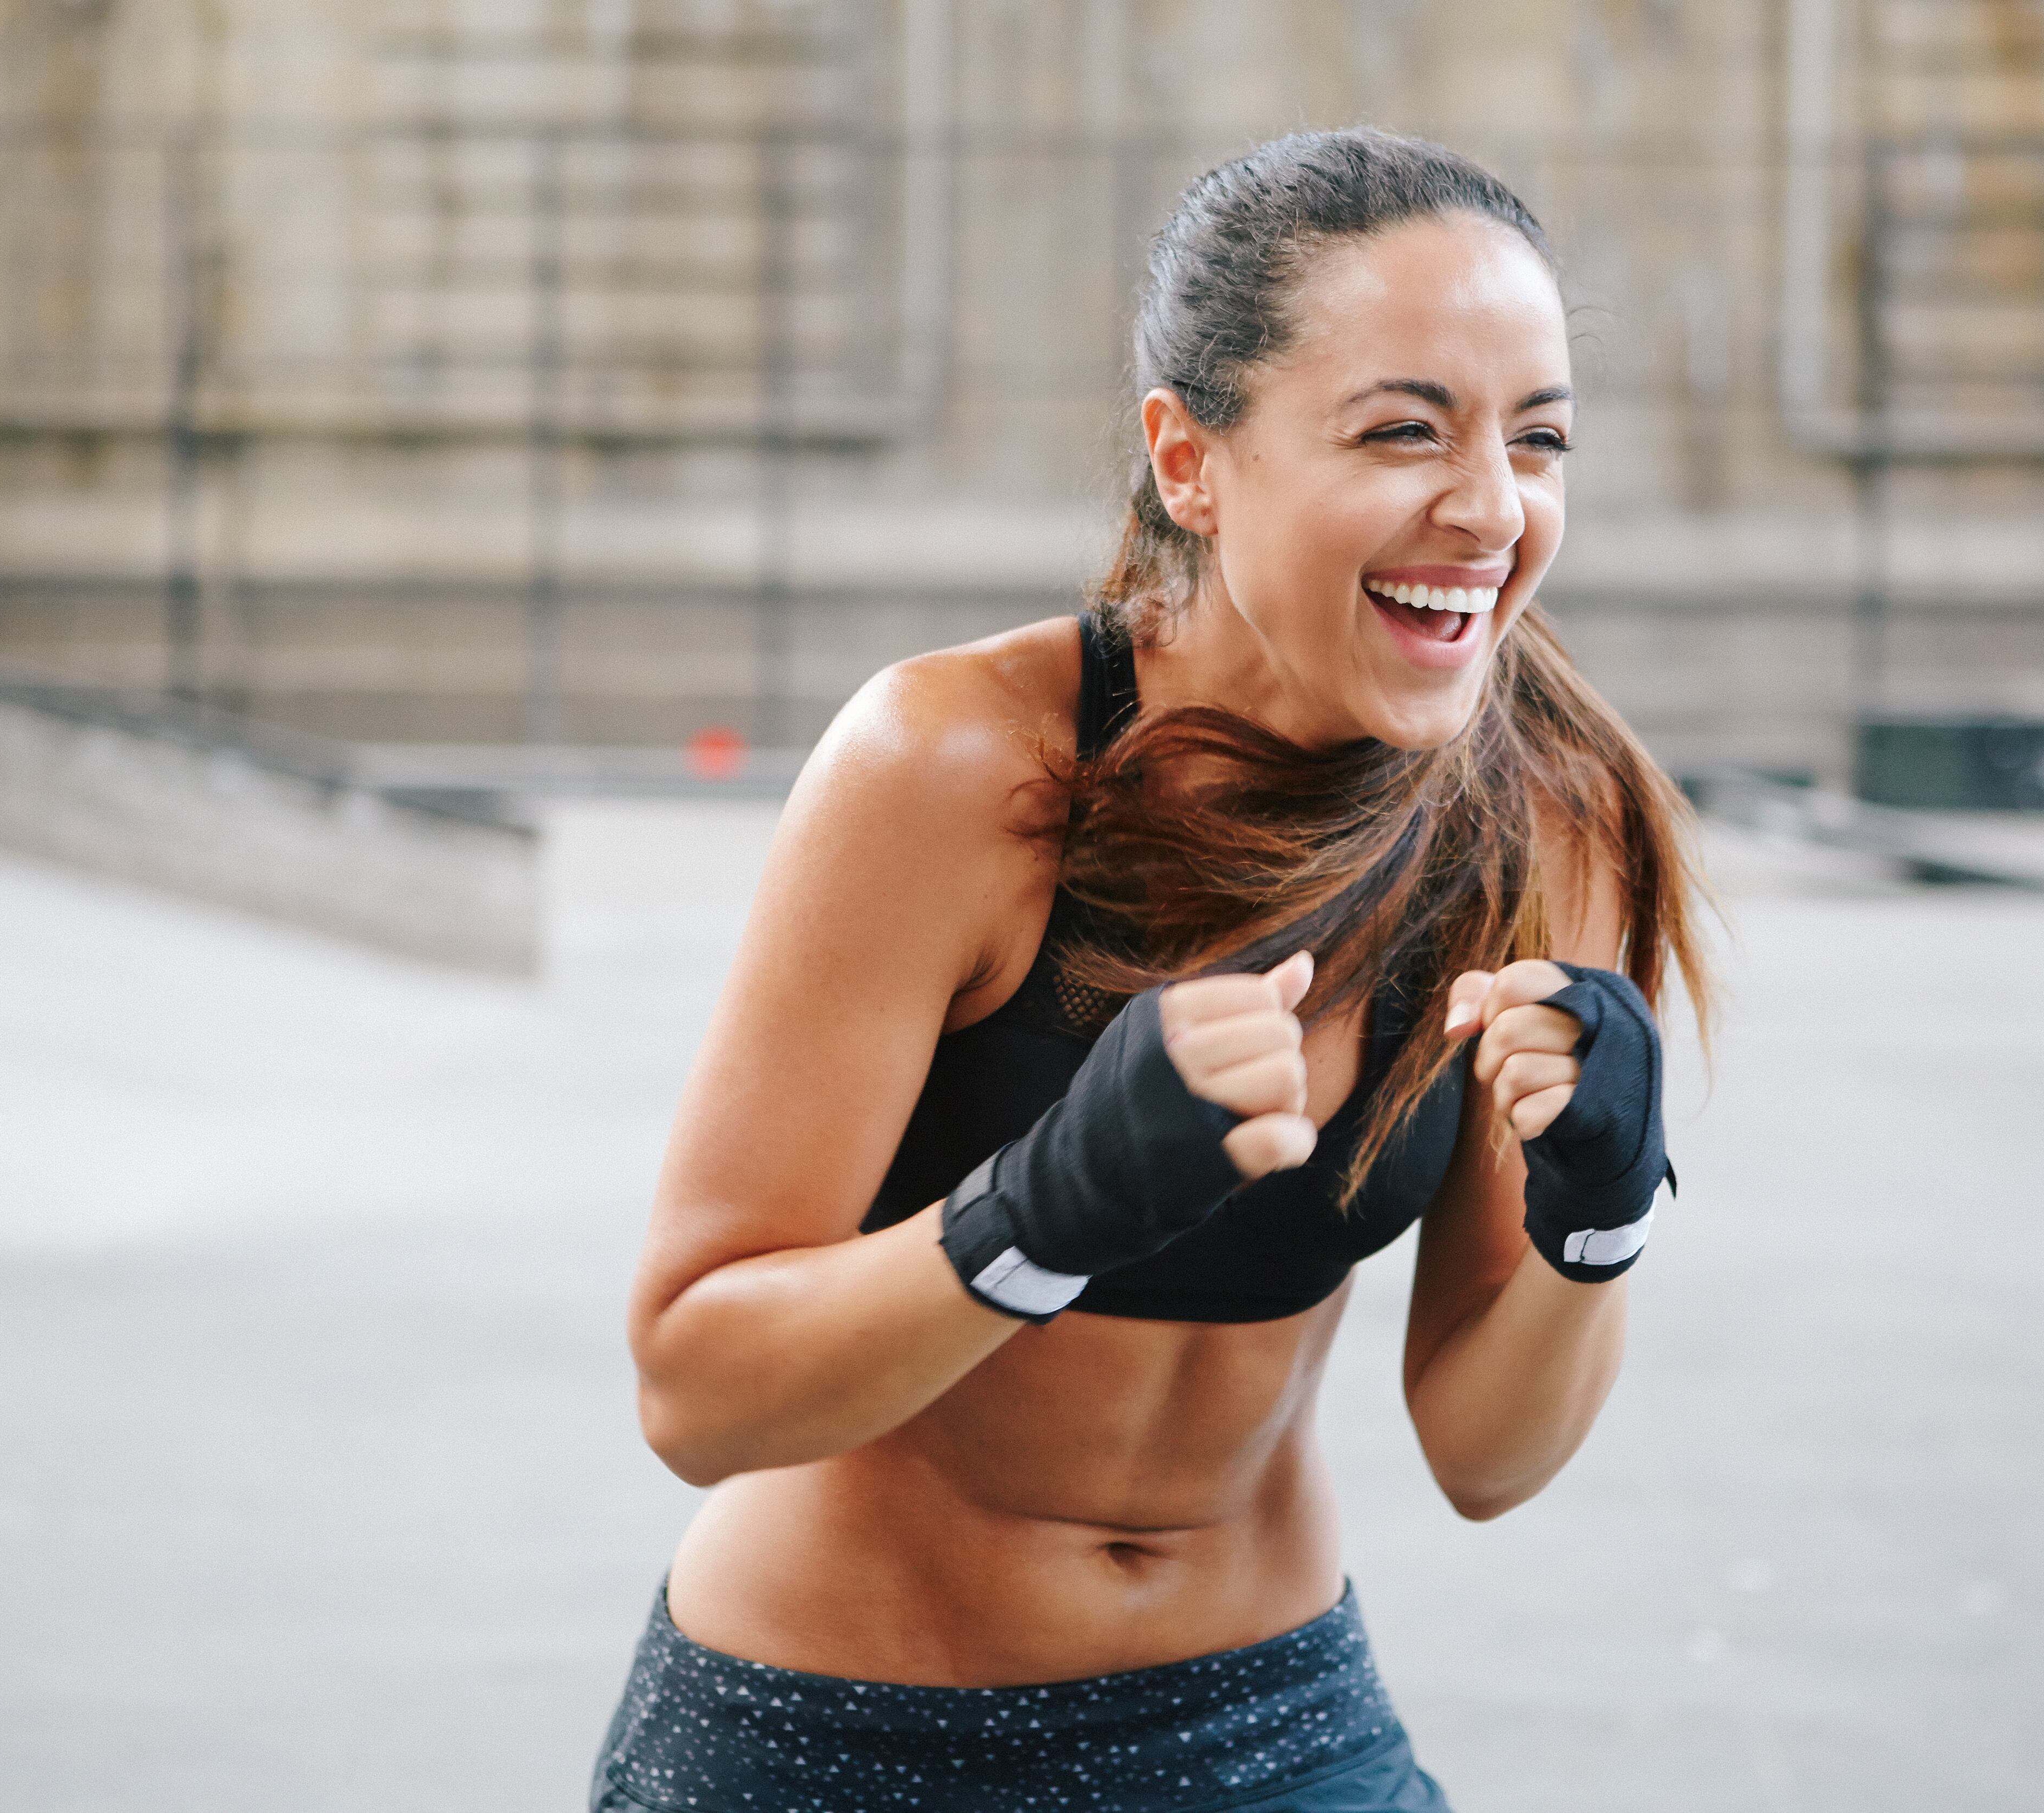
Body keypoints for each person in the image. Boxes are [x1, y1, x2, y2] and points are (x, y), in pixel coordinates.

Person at [592, 128, 1709, 1813]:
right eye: (1405, 429)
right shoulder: (959, 771)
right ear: (1191, 461)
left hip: (1269, 1728)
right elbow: (697, 1386)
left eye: (1536, 437)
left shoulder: (1544, 825)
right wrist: (1036, 1216)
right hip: (835, 1736)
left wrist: (1597, 1220)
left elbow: (1488, 1457)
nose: (1490, 506)